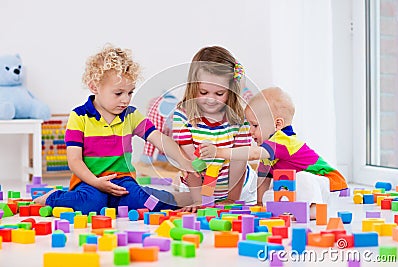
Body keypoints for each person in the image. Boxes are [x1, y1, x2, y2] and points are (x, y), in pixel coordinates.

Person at [34, 45, 195, 214]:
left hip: (123, 181)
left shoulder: (130, 115)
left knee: (144, 201)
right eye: (118, 93)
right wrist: (96, 182)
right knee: (91, 205)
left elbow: (158, 138)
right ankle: (52, 197)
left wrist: (184, 161)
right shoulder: (79, 117)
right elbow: (74, 161)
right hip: (90, 181)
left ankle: (181, 198)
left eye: (130, 92)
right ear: (95, 87)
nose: (125, 99)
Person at [200, 87, 348, 219]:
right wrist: (259, 203)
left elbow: (252, 154)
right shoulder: (268, 153)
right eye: (249, 125)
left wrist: (219, 152)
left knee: (302, 178)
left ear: (278, 124)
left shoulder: (283, 141)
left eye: (255, 125)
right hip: (299, 187)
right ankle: (297, 208)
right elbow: (263, 179)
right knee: (270, 194)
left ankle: (314, 209)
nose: (250, 131)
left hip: (326, 184)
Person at [172, 46, 257, 211]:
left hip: (239, 188)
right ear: (193, 86)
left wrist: (232, 199)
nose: (211, 100)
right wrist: (199, 201)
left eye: (219, 94)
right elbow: (189, 161)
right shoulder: (182, 115)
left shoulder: (239, 120)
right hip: (196, 186)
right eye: (203, 92)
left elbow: (239, 160)